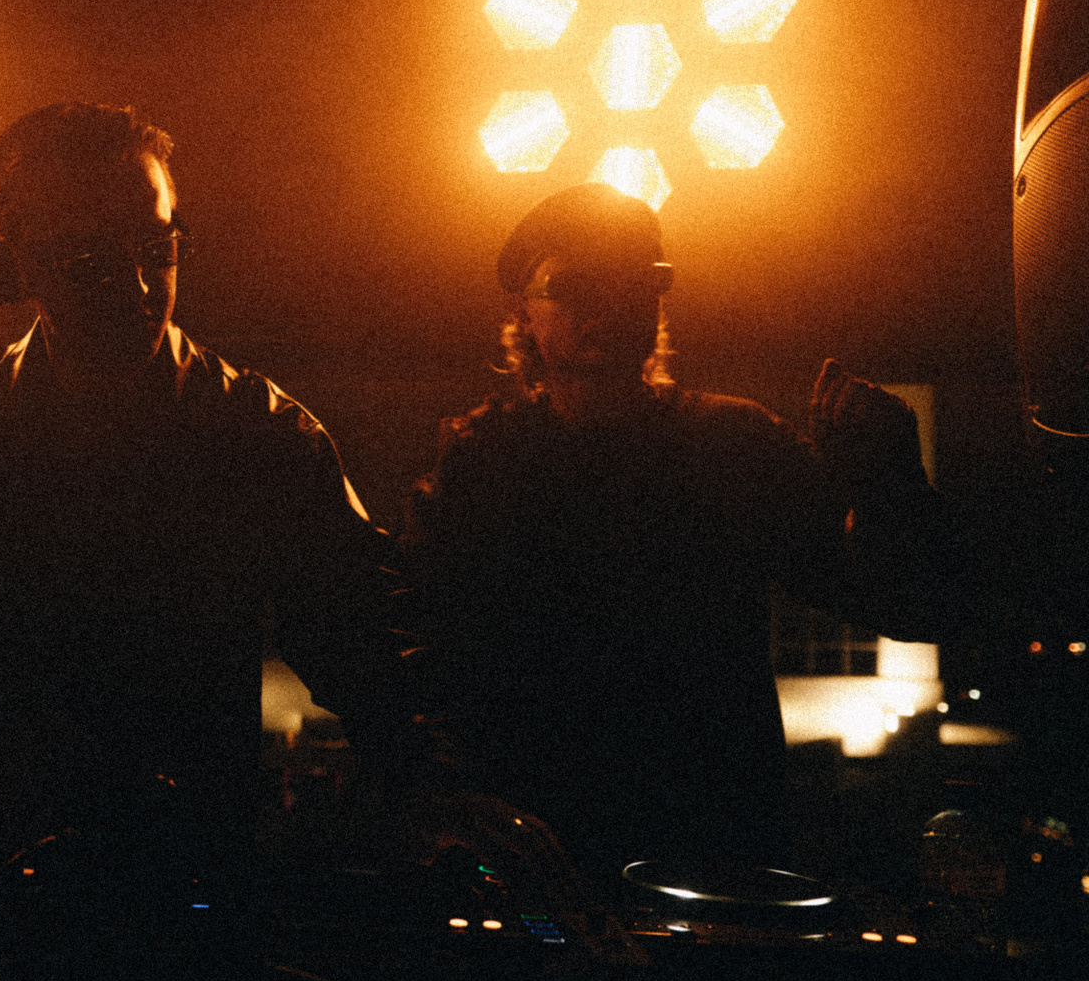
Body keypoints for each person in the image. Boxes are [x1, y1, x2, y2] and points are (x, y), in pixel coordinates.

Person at [0, 103, 416, 876]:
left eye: (157, 248)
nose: (138, 286)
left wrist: (428, 793)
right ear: (15, 262)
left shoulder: (257, 433)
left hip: (175, 866)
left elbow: (370, 641)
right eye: (90, 259)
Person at [400, 183, 941, 875]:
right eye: (574, 285)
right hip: (553, 855)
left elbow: (912, 602)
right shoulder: (482, 462)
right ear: (524, 316)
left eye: (634, 280)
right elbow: (418, 644)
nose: (606, 302)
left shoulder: (732, 445)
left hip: (694, 857)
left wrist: (892, 486)